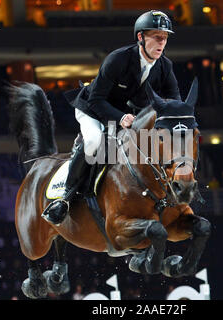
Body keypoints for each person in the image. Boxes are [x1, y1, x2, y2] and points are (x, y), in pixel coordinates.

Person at [42, 10, 181, 225]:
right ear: (141, 37)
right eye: (156, 37)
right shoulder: (119, 59)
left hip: (129, 117)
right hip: (94, 110)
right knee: (96, 142)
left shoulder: (165, 66)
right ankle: (65, 199)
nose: (162, 42)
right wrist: (120, 117)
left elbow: (174, 102)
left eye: (165, 38)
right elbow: (96, 100)